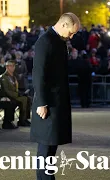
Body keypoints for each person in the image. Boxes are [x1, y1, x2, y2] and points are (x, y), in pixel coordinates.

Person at [30, 13, 80, 180]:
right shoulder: (45, 41)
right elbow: (38, 74)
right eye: (71, 32)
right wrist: (42, 103)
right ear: (64, 25)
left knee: (51, 149)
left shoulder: (57, 41)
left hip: (55, 103)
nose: (71, 36)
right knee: (45, 149)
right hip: (48, 104)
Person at [0, 60, 31, 127]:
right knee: (24, 99)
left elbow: (15, 88)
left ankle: (24, 119)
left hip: (15, 96)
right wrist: (18, 95)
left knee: (28, 98)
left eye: (14, 66)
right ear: (7, 67)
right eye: (11, 66)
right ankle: (22, 120)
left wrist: (21, 93)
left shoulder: (13, 76)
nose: (13, 67)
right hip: (8, 97)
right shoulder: (3, 77)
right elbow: (6, 90)